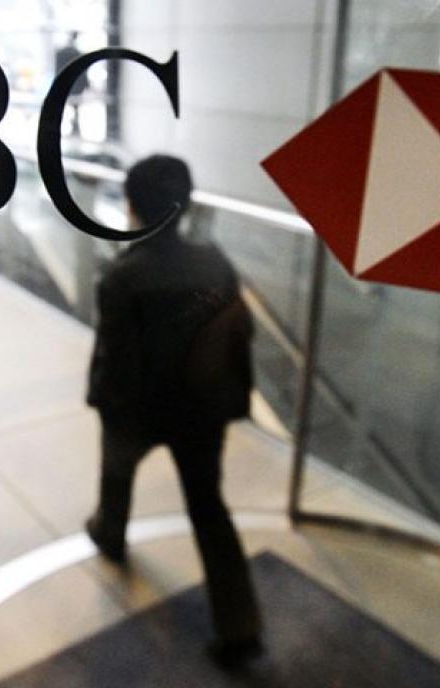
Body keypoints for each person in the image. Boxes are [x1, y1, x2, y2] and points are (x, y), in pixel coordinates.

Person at [84, 155, 263, 667]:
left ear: (133, 206)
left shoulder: (122, 276)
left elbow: (116, 360)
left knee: (116, 473)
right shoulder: (214, 264)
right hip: (201, 411)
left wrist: (101, 401)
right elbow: (237, 335)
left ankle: (111, 533)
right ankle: (240, 627)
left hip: (138, 412)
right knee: (208, 508)